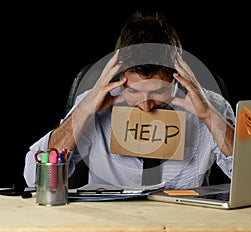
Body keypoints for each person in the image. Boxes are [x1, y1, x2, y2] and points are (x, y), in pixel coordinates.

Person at [24, 11, 235, 189]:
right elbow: (35, 179)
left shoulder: (211, 106)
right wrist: (85, 110)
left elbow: (250, 177)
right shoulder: (93, 104)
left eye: (158, 92)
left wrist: (208, 115)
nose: (146, 106)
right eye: (134, 92)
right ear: (120, 78)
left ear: (176, 77)